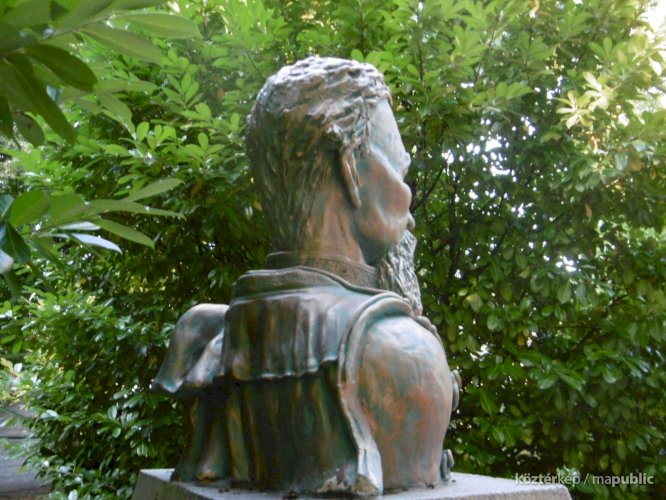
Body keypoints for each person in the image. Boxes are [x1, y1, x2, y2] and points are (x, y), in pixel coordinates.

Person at [152, 57, 457, 496]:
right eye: (400, 170)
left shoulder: (211, 332)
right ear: (350, 168)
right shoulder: (402, 354)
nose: (409, 207)